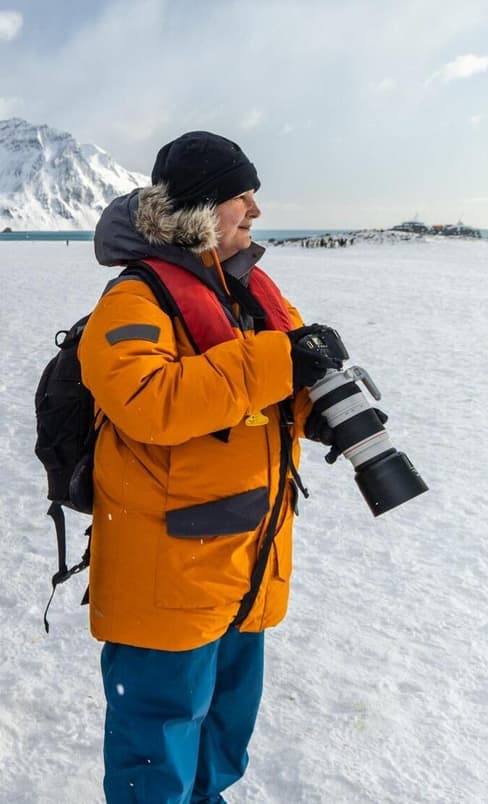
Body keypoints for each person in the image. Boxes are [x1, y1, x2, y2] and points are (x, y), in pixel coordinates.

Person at [78, 131, 342, 803]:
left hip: (244, 561)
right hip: (168, 574)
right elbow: (148, 400)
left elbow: (263, 388)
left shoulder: (249, 292)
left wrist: (317, 404)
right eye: (240, 197)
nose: (255, 211)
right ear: (199, 206)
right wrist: (281, 361)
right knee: (157, 750)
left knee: (222, 736)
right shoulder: (135, 299)